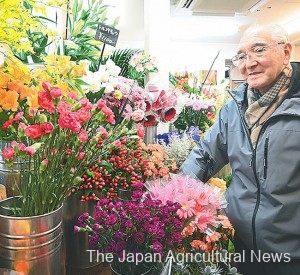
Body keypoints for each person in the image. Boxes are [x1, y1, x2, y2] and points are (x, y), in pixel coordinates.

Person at [180, 23, 300, 275]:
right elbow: (204, 155)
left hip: (291, 252)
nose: (249, 63)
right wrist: (179, 194)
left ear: (286, 52)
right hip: (241, 245)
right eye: (242, 56)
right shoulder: (233, 108)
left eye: (259, 50)